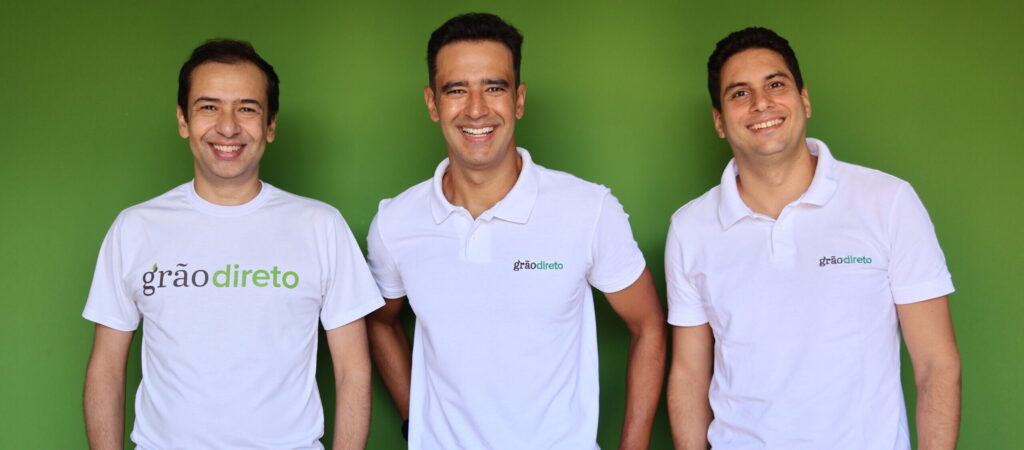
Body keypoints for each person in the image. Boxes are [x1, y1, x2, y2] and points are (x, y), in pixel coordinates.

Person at [365, 13, 666, 449]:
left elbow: (648, 325)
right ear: (432, 103)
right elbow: (380, 322)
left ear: (519, 100)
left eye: (494, 88)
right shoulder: (395, 222)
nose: (476, 109)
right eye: (456, 90)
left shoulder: (589, 209)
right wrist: (417, 423)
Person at [665, 27, 961, 449]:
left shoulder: (888, 201)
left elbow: (937, 364)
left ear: (804, 100)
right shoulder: (690, 227)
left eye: (775, 85)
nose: (761, 103)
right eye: (740, 93)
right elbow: (689, 375)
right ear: (719, 122)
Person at [81, 39, 382, 450]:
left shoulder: (321, 226)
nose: (227, 127)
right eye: (209, 107)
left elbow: (352, 371)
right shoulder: (135, 228)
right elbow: (106, 370)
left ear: (270, 125)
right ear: (183, 120)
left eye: (247, 109)